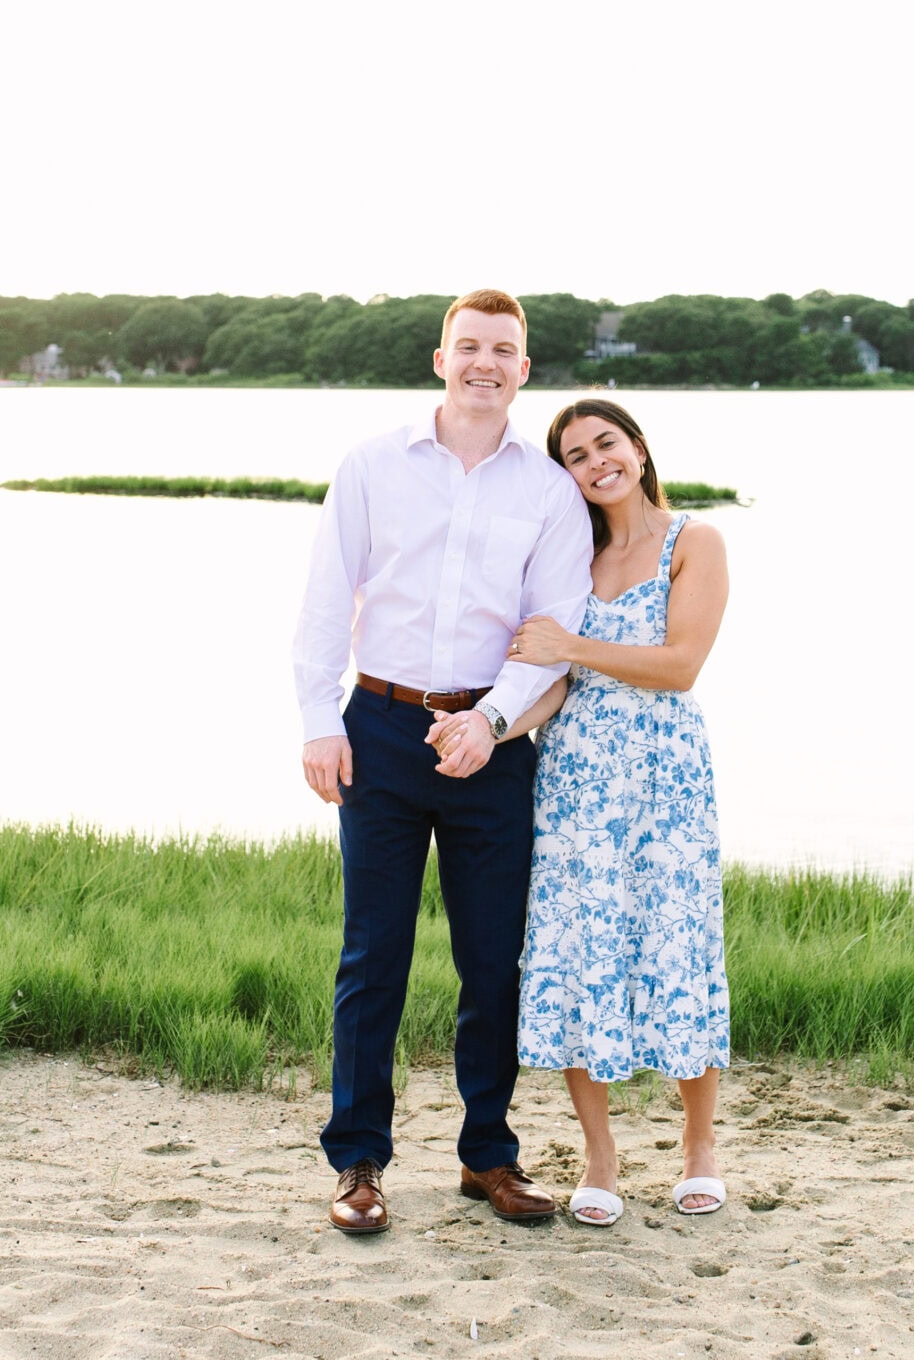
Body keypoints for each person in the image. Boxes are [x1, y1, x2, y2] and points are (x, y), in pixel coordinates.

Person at [293, 290, 594, 1235]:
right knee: (372, 954)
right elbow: (322, 601)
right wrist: (318, 720)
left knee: (492, 961)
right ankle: (358, 1162)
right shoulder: (375, 466)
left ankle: (488, 1156)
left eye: (504, 350)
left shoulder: (550, 493)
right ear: (440, 358)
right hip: (379, 729)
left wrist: (493, 721)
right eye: (470, 346)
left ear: (524, 370)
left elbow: (554, 632)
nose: (485, 363)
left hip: (493, 747)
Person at [506, 398, 733, 1225]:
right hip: (573, 783)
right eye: (575, 455)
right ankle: (600, 1157)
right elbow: (555, 686)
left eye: (607, 443)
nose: (596, 461)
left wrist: (570, 646)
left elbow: (679, 666)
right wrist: (490, 730)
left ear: (637, 449)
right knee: (577, 951)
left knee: (677, 943)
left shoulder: (693, 541)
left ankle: (699, 1145)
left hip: (665, 781)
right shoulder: (574, 557)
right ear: (564, 475)